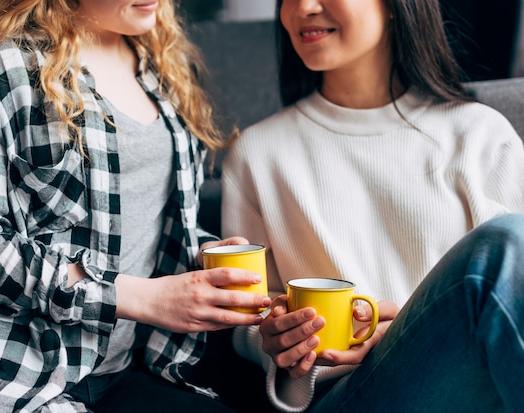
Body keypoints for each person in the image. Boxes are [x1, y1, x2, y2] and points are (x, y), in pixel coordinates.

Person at [0, 0, 271, 412]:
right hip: (1, 372)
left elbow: (138, 219)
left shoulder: (160, 65)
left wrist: (202, 254)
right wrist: (131, 297)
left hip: (122, 372)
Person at [222, 0, 524, 412]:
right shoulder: (257, 153)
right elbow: (248, 316)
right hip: (350, 394)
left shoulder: (481, 135)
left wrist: (409, 330)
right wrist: (274, 337)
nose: (303, 8)